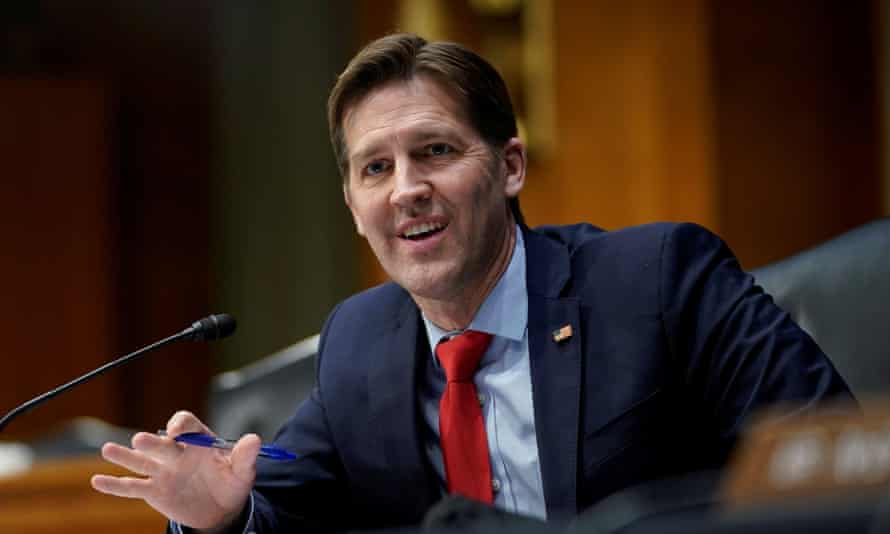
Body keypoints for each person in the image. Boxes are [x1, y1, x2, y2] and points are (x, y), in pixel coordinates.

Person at [91, 33, 853, 533]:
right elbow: (280, 502)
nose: (406, 189)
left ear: (510, 166)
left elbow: (833, 465)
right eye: (375, 168)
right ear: (353, 208)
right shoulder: (360, 347)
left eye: (436, 151)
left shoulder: (657, 280)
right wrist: (220, 515)